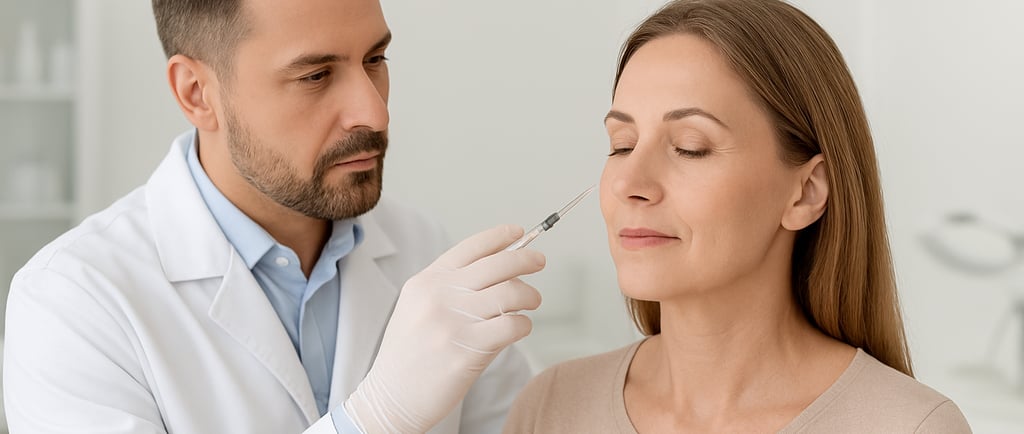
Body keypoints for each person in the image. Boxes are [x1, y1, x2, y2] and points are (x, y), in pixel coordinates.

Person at [2, 0, 547, 433]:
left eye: (375, 60)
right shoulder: (73, 302)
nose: (375, 112)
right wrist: (372, 420)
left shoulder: (420, 245)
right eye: (316, 76)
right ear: (197, 94)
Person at [503, 0, 973, 432]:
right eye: (622, 146)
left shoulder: (909, 426)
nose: (629, 183)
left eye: (690, 147)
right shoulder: (551, 405)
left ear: (806, 193)